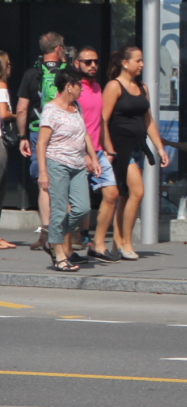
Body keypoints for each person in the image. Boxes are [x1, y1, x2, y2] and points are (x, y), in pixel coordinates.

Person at [101, 46, 169, 260]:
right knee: (137, 192)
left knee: (125, 195)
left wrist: (159, 147)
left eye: (142, 60)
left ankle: (117, 242)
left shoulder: (142, 87)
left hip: (138, 146)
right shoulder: (114, 86)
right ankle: (126, 242)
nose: (142, 64)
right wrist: (108, 146)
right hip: (121, 146)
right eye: (138, 60)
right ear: (125, 63)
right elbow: (103, 119)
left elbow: (147, 120)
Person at [35, 68, 100, 272]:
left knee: (83, 208)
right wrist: (43, 172)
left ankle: (52, 239)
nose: (82, 88)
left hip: (78, 164)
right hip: (57, 163)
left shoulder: (77, 106)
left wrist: (93, 157)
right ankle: (60, 255)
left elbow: (85, 134)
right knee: (60, 209)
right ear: (68, 87)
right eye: (79, 85)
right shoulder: (51, 110)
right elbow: (41, 143)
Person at [16, 31, 68, 253]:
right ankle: (66, 236)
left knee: (44, 184)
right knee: (64, 181)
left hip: (39, 133)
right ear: (58, 49)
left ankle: (45, 234)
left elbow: (21, 109)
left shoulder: (31, 74)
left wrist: (22, 137)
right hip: (65, 133)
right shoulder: (70, 73)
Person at [70, 46, 121, 262]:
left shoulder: (98, 88)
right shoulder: (73, 89)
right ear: (77, 63)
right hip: (77, 152)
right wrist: (84, 155)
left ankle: (98, 245)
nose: (93, 66)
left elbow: (100, 121)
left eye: (96, 62)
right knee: (73, 204)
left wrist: (108, 149)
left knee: (112, 194)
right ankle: (65, 247)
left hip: (98, 152)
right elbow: (72, 124)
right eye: (88, 62)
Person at [0, 51, 16, 250]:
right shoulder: (1, 85)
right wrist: (17, 115)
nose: (11, 67)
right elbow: (3, 114)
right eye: (9, 64)